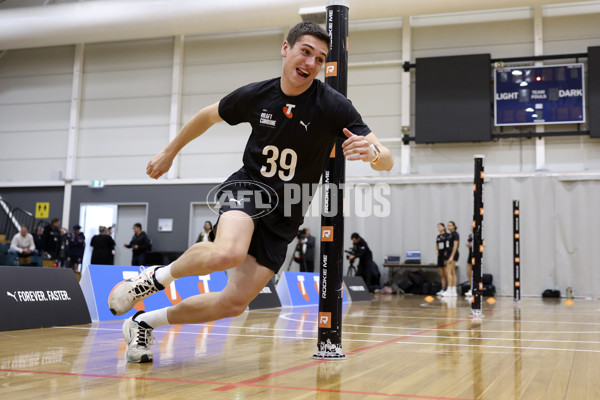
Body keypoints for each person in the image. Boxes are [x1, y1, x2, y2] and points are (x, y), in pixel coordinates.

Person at [108, 21, 393, 363]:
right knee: (227, 252)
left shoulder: (333, 106)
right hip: (250, 189)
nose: (310, 63)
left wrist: (374, 154)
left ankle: (143, 322)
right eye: (305, 52)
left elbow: (386, 158)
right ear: (286, 49)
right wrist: (170, 152)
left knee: (233, 303)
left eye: (319, 59)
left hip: (287, 212)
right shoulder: (258, 95)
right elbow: (207, 115)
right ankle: (153, 280)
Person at [442, 221, 460, 297]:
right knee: (452, 272)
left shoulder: (455, 234)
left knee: (449, 272)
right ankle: (453, 290)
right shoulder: (449, 235)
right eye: (447, 225)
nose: (448, 227)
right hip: (449, 254)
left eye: (450, 225)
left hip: (453, 254)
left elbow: (455, 246)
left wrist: (452, 256)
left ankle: (450, 290)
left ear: (454, 226)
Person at [435, 223, 449, 296]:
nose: (439, 228)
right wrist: (436, 250)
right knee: (442, 274)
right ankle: (443, 288)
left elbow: (448, 246)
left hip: (445, 255)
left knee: (447, 273)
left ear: (444, 227)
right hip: (440, 255)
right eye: (438, 227)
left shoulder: (447, 235)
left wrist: (446, 255)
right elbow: (437, 244)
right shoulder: (438, 236)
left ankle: (448, 289)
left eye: (440, 226)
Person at [464, 226, 473, 297]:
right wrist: (468, 245)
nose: (471, 227)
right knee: (468, 272)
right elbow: (468, 243)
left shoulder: (479, 235)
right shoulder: (470, 235)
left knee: (475, 273)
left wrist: (474, 245)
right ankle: (471, 287)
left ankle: (475, 289)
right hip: (470, 254)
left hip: (476, 255)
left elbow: (484, 244)